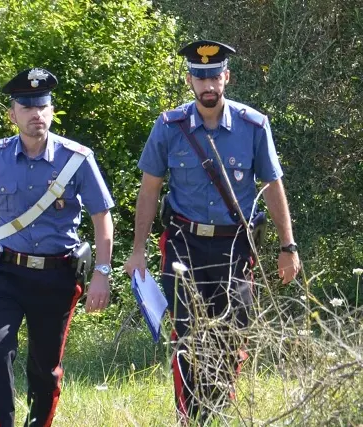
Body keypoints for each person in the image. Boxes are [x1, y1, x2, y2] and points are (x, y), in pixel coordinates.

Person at [124, 40, 301, 422]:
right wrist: (138, 249)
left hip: (234, 248)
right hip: (184, 245)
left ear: (226, 77)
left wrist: (288, 245)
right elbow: (149, 189)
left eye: (214, 77)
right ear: (189, 80)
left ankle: (216, 409)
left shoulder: (253, 125)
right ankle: (191, 417)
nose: (208, 85)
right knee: (187, 336)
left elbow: (272, 187)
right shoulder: (169, 127)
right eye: (200, 77)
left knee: (231, 334)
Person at [0, 68, 115, 427]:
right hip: (4, 274)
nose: (36, 115)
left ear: (51, 110)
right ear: (12, 114)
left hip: (56, 276)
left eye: (43, 107)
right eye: (27, 108)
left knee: (45, 369)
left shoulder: (77, 158)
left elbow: (102, 217)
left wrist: (102, 274)